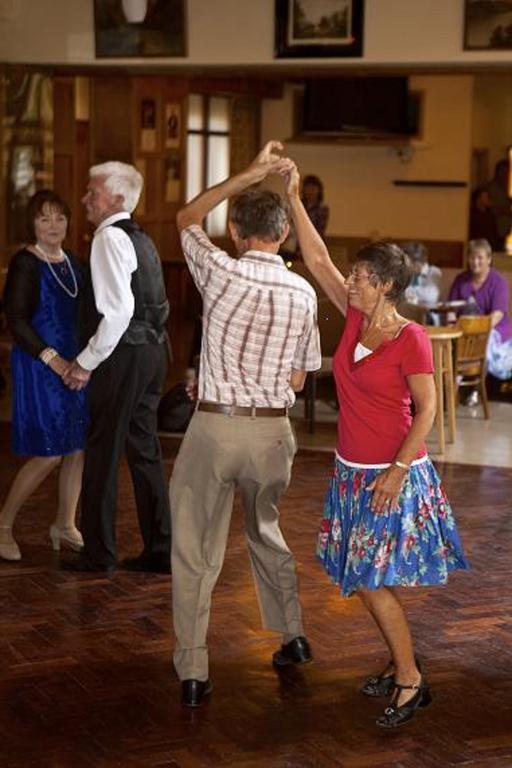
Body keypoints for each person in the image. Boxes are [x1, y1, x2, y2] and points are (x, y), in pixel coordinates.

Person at [281, 157, 468, 729]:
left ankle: (411, 681)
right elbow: (316, 259)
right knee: (370, 578)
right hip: (350, 470)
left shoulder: (409, 337)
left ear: (385, 284)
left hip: (392, 473)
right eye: (354, 275)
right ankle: (401, 662)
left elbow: (429, 409)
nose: (351, 280)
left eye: (361, 275)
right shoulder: (356, 316)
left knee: (369, 579)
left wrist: (394, 470)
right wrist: (292, 196)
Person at [170, 141, 321, 708]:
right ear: (283, 235)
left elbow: (185, 217)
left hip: (215, 429)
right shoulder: (304, 292)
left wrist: (250, 173)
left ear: (236, 230)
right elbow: (301, 382)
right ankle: (294, 636)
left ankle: (193, 669)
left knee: (194, 549)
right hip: (272, 434)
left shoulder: (221, 272)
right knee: (268, 532)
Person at [61, 162, 171, 575]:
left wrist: (85, 362)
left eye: (94, 193)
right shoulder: (141, 238)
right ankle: (161, 548)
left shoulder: (108, 237)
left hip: (123, 355)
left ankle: (98, 553)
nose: (85, 199)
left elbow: (119, 312)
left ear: (119, 200)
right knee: (144, 449)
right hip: (154, 354)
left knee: (103, 450)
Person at [0, 190, 88, 561]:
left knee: (77, 446)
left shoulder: (74, 263)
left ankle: (64, 524)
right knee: (50, 451)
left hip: (76, 366)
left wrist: (83, 362)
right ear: (32, 224)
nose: (53, 226)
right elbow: (16, 321)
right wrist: (53, 360)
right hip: (40, 365)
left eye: (59, 218)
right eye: (44, 219)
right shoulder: (25, 262)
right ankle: (3, 525)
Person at [449, 238, 512, 382]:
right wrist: (452, 325)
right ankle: (451, 386)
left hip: (493, 328)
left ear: (489, 259)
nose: (475, 262)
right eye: (472, 257)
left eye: (480, 258)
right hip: (463, 328)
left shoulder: (498, 281)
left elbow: (498, 314)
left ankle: (475, 385)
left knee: (482, 341)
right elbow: (451, 308)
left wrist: (477, 330)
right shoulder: (461, 279)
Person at [401, 242, 442, 306]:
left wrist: (407, 291)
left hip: (428, 313)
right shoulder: (405, 273)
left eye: (407, 262)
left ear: (417, 263)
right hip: (407, 312)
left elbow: (431, 297)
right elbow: (397, 293)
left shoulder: (434, 272)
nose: (405, 265)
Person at [485, 159, 511, 250]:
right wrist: (505, 210)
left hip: (506, 233)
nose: (504, 174)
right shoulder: (490, 188)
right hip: (494, 233)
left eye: (507, 172)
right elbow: (487, 209)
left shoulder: (508, 188)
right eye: (502, 171)